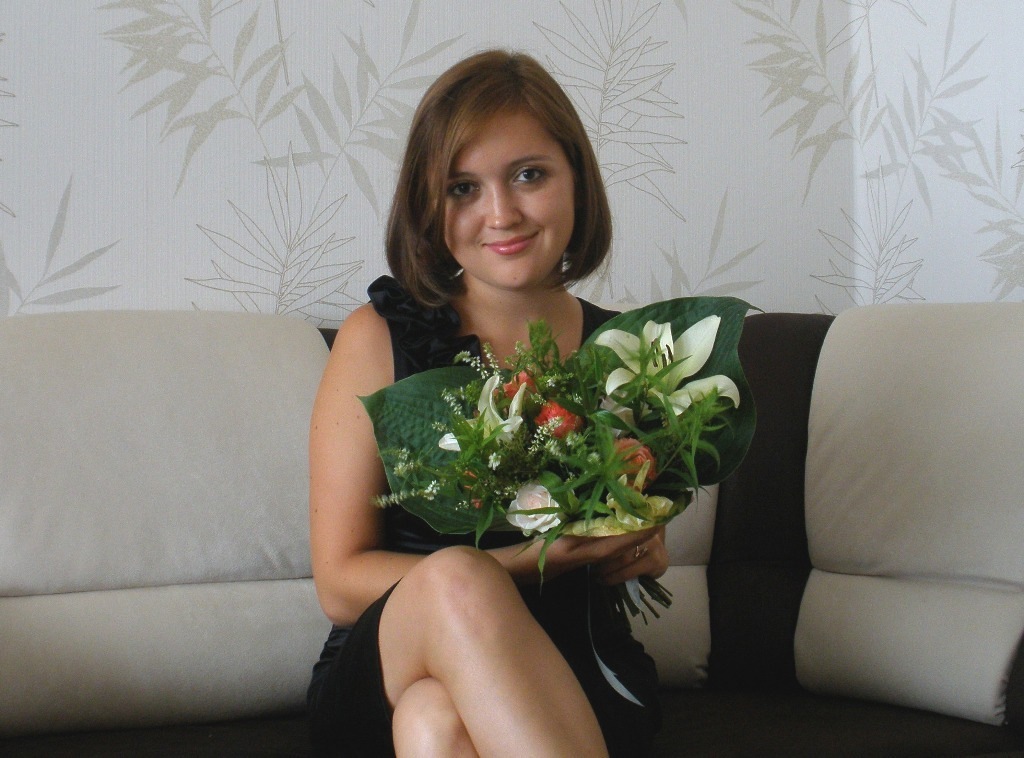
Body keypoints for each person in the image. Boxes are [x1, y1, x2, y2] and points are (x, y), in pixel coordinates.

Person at [306, 49, 667, 758]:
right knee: (456, 580)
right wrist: (535, 560)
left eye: (529, 175)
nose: (501, 213)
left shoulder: (627, 350)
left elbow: (633, 521)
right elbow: (340, 584)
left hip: (574, 672)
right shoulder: (379, 337)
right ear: (428, 205)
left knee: (435, 724)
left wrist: (640, 543)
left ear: (576, 179)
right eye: (463, 188)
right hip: (385, 667)